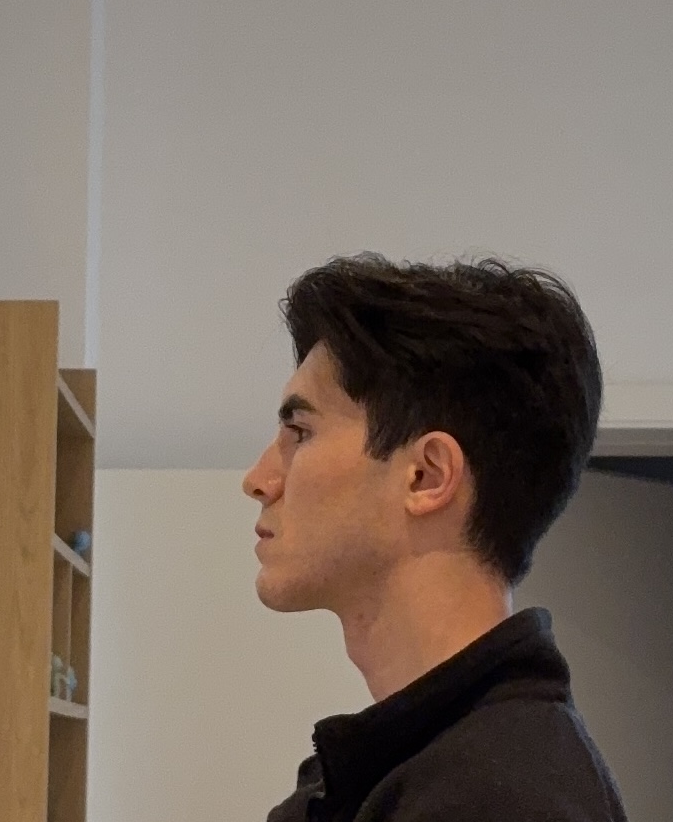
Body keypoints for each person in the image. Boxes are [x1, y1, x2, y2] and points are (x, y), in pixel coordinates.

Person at [242, 252, 628, 822]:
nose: (258, 480)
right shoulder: (413, 770)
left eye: (300, 432)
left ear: (426, 476)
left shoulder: (499, 798)